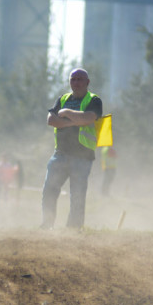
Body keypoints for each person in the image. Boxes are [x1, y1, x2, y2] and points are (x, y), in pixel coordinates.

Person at [40, 68, 103, 230]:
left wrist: (66, 113)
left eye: (80, 79)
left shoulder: (94, 100)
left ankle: (73, 230)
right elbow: (51, 120)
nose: (76, 82)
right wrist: (74, 121)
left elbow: (88, 118)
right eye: (73, 79)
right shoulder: (63, 98)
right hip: (60, 154)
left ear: (87, 82)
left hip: (82, 156)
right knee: (49, 191)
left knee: (77, 196)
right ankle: (47, 225)